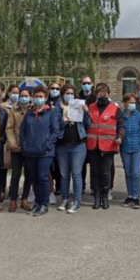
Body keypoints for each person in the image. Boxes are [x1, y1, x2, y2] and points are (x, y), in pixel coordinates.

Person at [20, 86, 61, 216]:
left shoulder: (51, 113)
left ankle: (44, 204)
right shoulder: (29, 113)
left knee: (42, 177)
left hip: (45, 152)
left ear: (45, 98)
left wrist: (47, 145)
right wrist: (24, 144)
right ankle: (37, 203)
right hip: (30, 151)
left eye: (41, 97)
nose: (38, 99)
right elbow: (23, 131)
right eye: (36, 97)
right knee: (34, 178)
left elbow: (56, 132)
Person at [87, 83, 124, 210]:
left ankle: (105, 197)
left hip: (108, 145)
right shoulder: (90, 107)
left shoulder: (115, 108)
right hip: (93, 145)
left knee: (106, 172)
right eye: (100, 94)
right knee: (95, 172)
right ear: (96, 95)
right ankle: (96, 198)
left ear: (108, 94)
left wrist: (120, 136)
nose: (102, 96)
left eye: (105, 94)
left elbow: (120, 125)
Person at [55, 84, 90, 214]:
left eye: (71, 93)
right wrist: (63, 121)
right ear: (63, 94)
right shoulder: (57, 108)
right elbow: (54, 126)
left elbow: (88, 124)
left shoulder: (79, 105)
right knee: (64, 175)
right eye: (67, 93)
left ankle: (76, 201)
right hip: (62, 146)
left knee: (76, 174)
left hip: (78, 145)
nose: (69, 95)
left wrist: (86, 111)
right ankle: (64, 199)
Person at [6, 88, 34, 212]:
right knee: (16, 174)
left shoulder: (33, 110)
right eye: (21, 95)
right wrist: (12, 142)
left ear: (30, 97)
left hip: (30, 147)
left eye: (26, 96)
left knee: (29, 174)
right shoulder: (14, 110)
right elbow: (9, 128)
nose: (23, 98)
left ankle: (24, 199)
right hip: (16, 146)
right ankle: (13, 200)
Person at [120, 93, 140, 209]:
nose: (132, 104)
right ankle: (130, 194)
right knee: (128, 172)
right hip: (125, 147)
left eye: (134, 102)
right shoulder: (120, 116)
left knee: (136, 172)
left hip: (137, 148)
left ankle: (136, 197)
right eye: (130, 102)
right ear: (125, 104)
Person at [78, 75, 97, 193]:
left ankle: (94, 186)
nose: (86, 85)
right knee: (81, 163)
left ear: (92, 84)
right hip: (81, 134)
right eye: (84, 83)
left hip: (93, 133)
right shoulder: (77, 97)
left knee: (94, 163)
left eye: (88, 83)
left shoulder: (96, 98)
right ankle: (82, 186)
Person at [47, 81, 62, 203]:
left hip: (59, 138)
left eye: (57, 88)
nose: (55, 90)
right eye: (52, 88)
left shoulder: (62, 103)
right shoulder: (45, 101)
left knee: (58, 164)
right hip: (47, 138)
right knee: (48, 165)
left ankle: (59, 186)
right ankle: (49, 186)